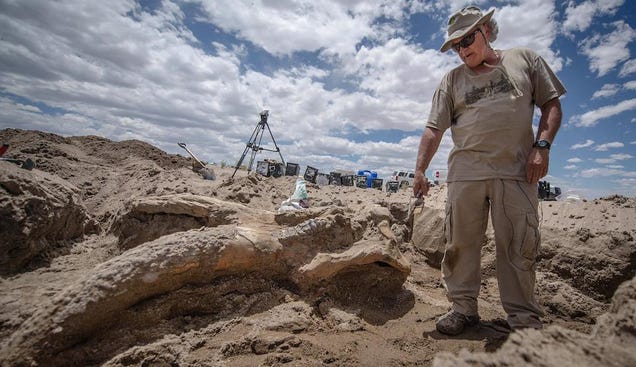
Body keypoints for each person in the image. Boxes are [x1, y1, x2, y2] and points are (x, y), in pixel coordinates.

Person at [412, 6, 566, 335]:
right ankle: (463, 309)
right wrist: (420, 170)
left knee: (518, 246)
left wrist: (542, 147)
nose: (462, 48)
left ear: (486, 30)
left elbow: (551, 103)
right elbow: (433, 129)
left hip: (516, 173)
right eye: (455, 45)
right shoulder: (452, 80)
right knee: (460, 245)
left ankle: (523, 320)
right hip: (466, 174)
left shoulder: (525, 60)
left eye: (467, 38)